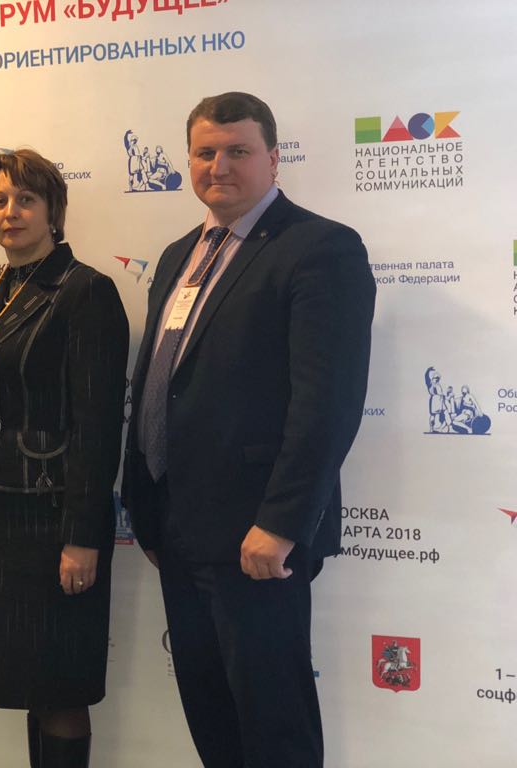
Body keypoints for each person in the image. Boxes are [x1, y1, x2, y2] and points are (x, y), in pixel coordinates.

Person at [123, 92, 375, 768]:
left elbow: (328, 403)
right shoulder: (178, 255)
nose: (220, 166)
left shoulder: (319, 248)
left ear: (273, 158)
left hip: (258, 538)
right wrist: (147, 514)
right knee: (212, 720)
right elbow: (165, 381)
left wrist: (283, 522)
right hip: (178, 531)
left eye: (238, 150)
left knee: (274, 729)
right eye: (205, 152)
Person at [0, 149, 129, 767]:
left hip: (57, 518)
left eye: (26, 200)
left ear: (53, 211)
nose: (11, 212)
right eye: (0, 201)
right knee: (27, 685)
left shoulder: (86, 290)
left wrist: (83, 537)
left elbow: (97, 425)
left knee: (62, 688)